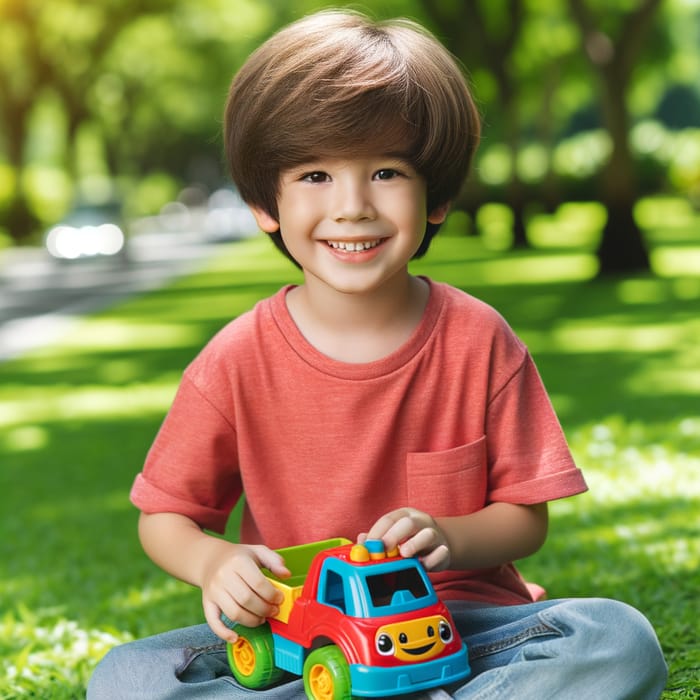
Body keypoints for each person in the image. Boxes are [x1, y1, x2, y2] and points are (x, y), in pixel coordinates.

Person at [88, 9, 667, 699]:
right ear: (263, 201)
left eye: (387, 172)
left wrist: (448, 534)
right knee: (125, 678)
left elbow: (525, 518)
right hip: (304, 639)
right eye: (314, 176)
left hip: (465, 626)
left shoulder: (479, 338)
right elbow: (167, 518)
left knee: (618, 640)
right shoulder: (236, 358)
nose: (353, 206)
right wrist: (214, 562)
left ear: (438, 197)